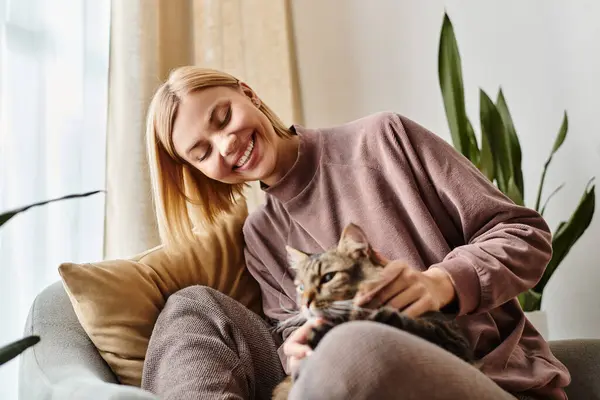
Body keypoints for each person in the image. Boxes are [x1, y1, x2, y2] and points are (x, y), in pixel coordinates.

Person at [141, 66, 571, 400]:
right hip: (347, 383)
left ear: (248, 94)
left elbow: (525, 233)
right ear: (199, 170)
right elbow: (289, 331)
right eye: (202, 152)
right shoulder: (261, 234)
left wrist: (442, 283)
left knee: (353, 346)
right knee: (190, 306)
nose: (226, 145)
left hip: (487, 379)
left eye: (223, 117)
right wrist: (294, 353)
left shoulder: (383, 139)